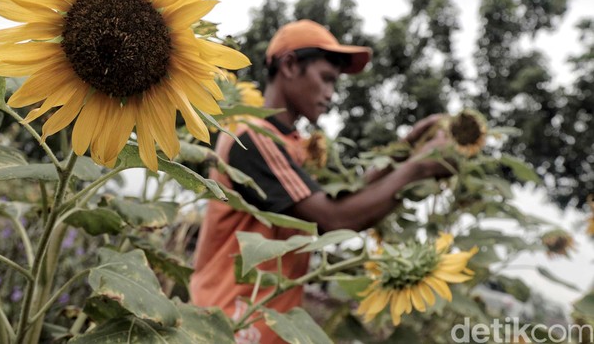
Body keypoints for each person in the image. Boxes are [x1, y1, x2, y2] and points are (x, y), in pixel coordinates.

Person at [191, 19, 452, 344]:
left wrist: (408, 147)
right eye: (326, 79)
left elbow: (343, 197)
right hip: (226, 326)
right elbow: (332, 217)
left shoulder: (294, 145)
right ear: (289, 65)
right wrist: (419, 169)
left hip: (260, 326)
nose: (331, 94)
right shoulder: (252, 137)